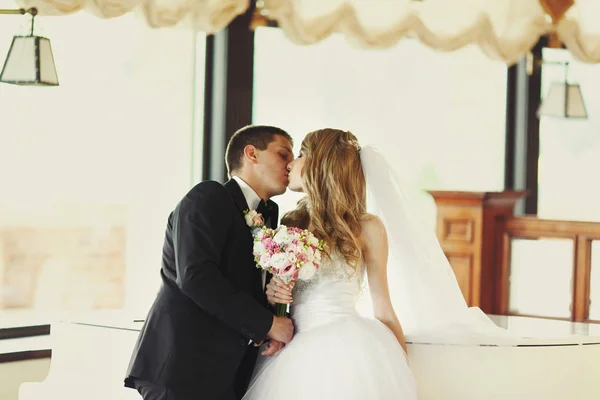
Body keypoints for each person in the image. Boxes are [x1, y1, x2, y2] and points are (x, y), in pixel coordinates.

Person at [242, 128, 418, 400]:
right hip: (293, 349)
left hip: (347, 346)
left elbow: (383, 306)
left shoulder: (367, 227)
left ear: (320, 165)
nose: (290, 163)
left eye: (300, 155)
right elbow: (283, 297)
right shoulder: (291, 222)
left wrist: (401, 370)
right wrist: (275, 293)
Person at [124, 125, 296, 400]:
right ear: (251, 153)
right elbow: (196, 277)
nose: (291, 165)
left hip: (230, 373)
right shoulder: (208, 196)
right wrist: (267, 323)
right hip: (185, 368)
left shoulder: (270, 214)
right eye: (283, 154)